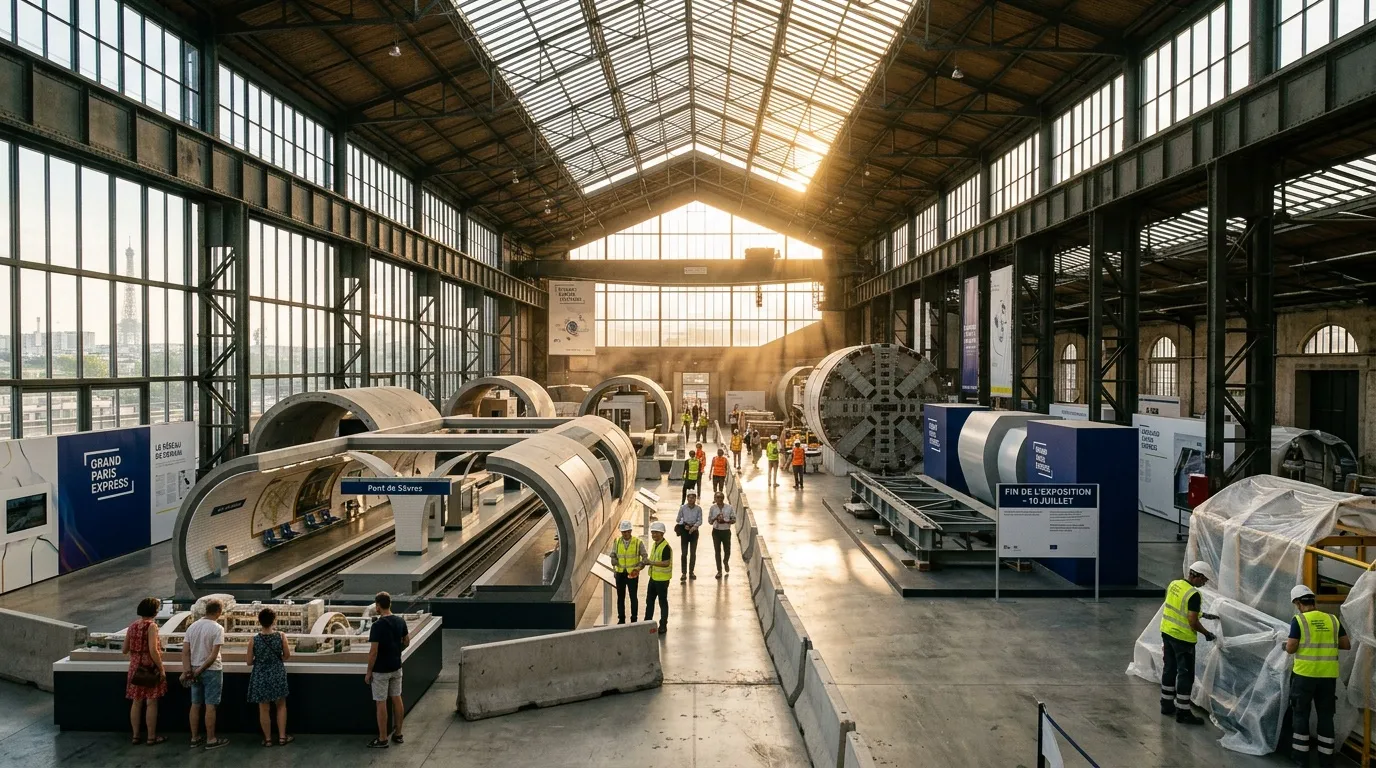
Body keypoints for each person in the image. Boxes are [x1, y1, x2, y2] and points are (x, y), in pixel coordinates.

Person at [1287, 584, 1350, 765]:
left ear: (1298, 603)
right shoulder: (1332, 620)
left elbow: (1291, 648)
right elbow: (1346, 644)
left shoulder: (1299, 621)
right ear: (1313, 600)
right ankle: (1326, 760)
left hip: (1304, 677)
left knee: (1300, 716)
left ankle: (1301, 759)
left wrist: (1285, 645)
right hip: (1327, 678)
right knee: (1325, 717)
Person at [1159, 561, 1217, 725]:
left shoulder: (1174, 584)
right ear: (1196, 576)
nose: (1204, 583)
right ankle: (1183, 712)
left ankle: (1166, 704)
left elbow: (1178, 607)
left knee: (1169, 669)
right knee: (1185, 675)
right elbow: (1191, 620)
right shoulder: (1194, 594)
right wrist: (1206, 633)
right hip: (1183, 639)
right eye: (1204, 579)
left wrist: (1202, 614)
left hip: (1167, 632)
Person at [182, 599, 228, 750]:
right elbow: (213, 656)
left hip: (194, 669)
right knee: (210, 706)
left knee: (195, 704)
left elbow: (185, 652)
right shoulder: (218, 628)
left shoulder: (192, 627)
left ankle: (194, 738)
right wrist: (200, 670)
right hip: (212, 670)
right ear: (218, 612)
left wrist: (189, 671)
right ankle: (211, 739)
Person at [366, 592, 410, 748]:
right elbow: (407, 641)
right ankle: (398, 734)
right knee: (397, 698)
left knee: (381, 702)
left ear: (378, 606)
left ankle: (383, 738)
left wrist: (369, 672)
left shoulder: (377, 626)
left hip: (381, 670)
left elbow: (373, 652)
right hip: (396, 666)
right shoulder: (400, 621)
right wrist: (396, 649)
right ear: (390, 604)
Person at [124, 597, 167, 746]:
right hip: (148, 667)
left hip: (135, 667)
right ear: (154, 611)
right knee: (151, 702)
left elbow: (124, 649)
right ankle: (151, 737)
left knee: (136, 702)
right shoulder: (152, 626)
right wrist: (161, 669)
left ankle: (135, 736)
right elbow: (153, 650)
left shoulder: (132, 626)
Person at [246, 607, 292, 747]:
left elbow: (248, 661)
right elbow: (287, 656)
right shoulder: (281, 636)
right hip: (277, 672)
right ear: (274, 621)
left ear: (259, 621)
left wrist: (260, 661)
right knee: (281, 705)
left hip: (260, 673)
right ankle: (282, 737)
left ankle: (267, 739)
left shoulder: (254, 639)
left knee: (264, 708)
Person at [609, 520, 647, 624]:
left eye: (627, 531)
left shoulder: (638, 542)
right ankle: (621, 619)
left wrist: (639, 568)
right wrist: (613, 560)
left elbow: (644, 557)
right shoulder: (616, 542)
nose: (625, 534)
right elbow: (613, 554)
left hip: (632, 574)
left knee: (633, 596)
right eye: (623, 532)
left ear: (631, 531)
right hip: (620, 573)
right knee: (620, 597)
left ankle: (634, 618)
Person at [644, 521, 673, 634]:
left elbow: (666, 563)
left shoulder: (665, 547)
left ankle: (663, 624)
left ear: (662, 534)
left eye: (656, 533)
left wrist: (651, 562)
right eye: (652, 533)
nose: (654, 535)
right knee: (649, 601)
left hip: (662, 580)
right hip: (653, 578)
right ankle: (647, 622)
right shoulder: (655, 545)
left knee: (662, 602)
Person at [676, 490, 702, 582]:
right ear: (687, 498)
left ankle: (691, 572)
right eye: (689, 497)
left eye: (693, 497)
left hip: (694, 532)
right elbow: (678, 519)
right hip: (684, 531)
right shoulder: (683, 508)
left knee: (693, 553)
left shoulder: (698, 509)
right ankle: (684, 573)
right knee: (684, 553)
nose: (691, 499)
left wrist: (694, 527)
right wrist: (684, 525)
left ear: (695, 498)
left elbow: (700, 520)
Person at [708, 491, 736, 578]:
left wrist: (726, 521)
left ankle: (725, 561)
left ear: (723, 499)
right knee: (717, 551)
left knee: (727, 550)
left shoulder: (729, 508)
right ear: (715, 499)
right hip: (716, 531)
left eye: (721, 497)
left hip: (726, 531)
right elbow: (709, 521)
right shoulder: (713, 508)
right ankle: (719, 570)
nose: (719, 499)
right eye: (717, 498)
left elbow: (734, 520)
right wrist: (715, 518)